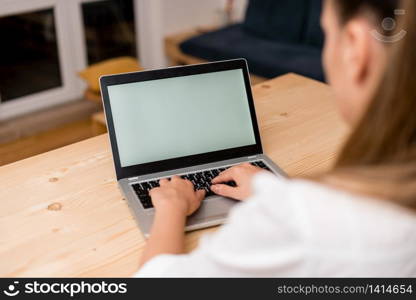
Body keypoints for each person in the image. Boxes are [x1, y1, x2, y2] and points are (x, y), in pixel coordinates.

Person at [135, 0, 416, 277]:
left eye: (327, 33)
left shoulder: (302, 223)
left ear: (355, 49)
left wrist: (171, 209)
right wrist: (275, 190)